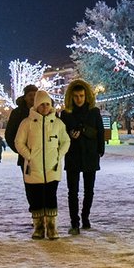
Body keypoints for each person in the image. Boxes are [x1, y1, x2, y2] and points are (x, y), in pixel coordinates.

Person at [15, 91, 70, 239]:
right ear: (36, 106)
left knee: (51, 197)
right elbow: (19, 142)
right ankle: (38, 227)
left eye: (47, 104)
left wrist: (59, 154)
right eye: (42, 104)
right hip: (34, 168)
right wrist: (29, 155)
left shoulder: (58, 124)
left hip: (52, 168)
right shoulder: (27, 123)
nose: (45, 107)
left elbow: (66, 141)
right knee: (36, 198)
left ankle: (52, 227)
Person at [59, 79, 105, 235]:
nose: (79, 99)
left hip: (90, 155)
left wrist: (100, 150)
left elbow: (99, 131)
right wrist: (70, 134)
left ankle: (85, 217)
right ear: (71, 97)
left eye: (81, 96)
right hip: (73, 155)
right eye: (76, 96)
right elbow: (61, 133)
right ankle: (74, 223)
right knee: (72, 192)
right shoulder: (65, 114)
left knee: (89, 190)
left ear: (86, 96)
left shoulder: (93, 112)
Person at [5, 84, 39, 170]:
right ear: (25, 97)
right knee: (29, 181)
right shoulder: (17, 113)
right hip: (25, 155)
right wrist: (19, 149)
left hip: (43, 155)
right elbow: (10, 133)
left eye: (35, 95)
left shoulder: (45, 110)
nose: (33, 97)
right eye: (30, 95)